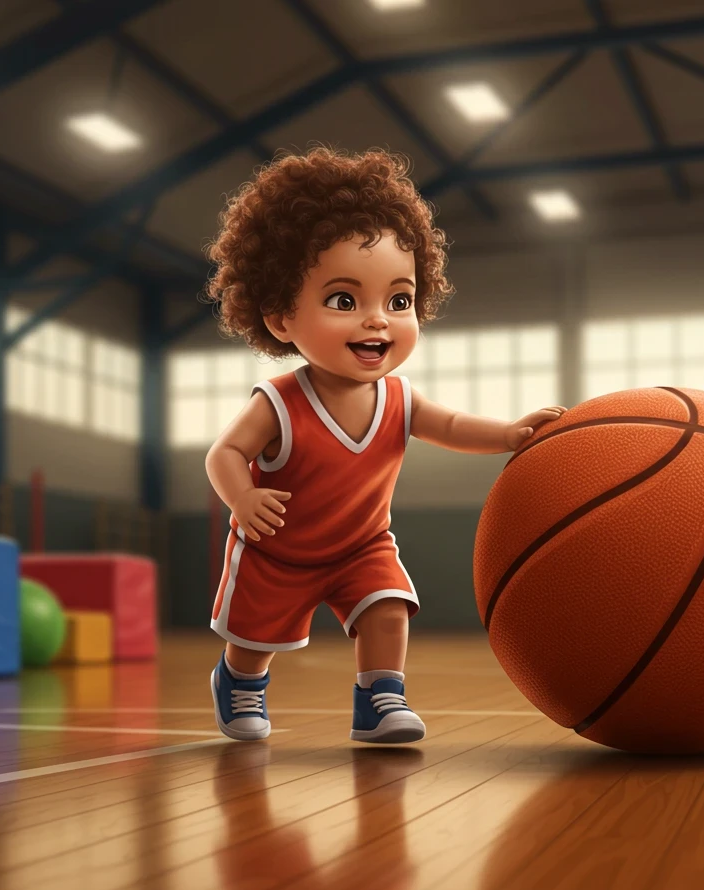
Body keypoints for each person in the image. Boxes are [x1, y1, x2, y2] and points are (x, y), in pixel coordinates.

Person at [203, 147, 565, 743]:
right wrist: (242, 497)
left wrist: (508, 434)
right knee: (253, 640)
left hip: (359, 544)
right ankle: (238, 682)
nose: (378, 320)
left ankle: (380, 698)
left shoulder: (398, 398)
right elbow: (223, 454)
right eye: (344, 301)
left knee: (388, 606)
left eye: (398, 301)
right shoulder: (279, 402)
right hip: (277, 551)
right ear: (279, 318)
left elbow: (450, 426)